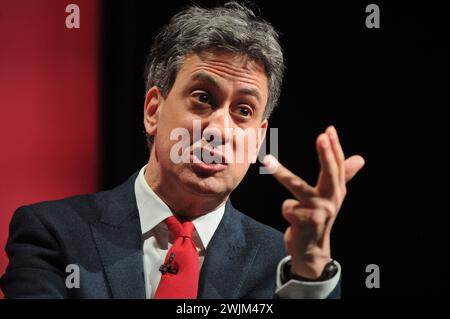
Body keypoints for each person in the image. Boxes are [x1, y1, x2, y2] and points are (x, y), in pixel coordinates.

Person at [0, 2, 364, 299]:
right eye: (203, 98)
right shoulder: (54, 234)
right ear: (153, 110)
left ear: (258, 139)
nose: (219, 130)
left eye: (243, 111)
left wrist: (312, 271)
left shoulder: (286, 268)